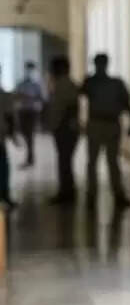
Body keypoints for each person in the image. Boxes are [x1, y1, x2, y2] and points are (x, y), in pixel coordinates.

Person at [80, 54, 130, 207]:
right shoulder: (90, 82)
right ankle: (92, 194)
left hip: (111, 123)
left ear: (106, 64)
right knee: (93, 161)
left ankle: (118, 194)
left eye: (102, 63)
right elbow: (79, 94)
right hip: (97, 123)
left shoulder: (116, 83)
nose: (100, 66)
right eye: (98, 63)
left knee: (112, 161)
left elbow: (126, 103)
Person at [45, 56, 80, 205]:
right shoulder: (60, 84)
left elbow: (71, 107)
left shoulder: (65, 84)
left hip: (66, 129)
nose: (51, 71)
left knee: (64, 161)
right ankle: (67, 191)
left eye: (53, 68)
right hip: (63, 127)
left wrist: (61, 125)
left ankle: (66, 193)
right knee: (64, 161)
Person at [14, 61, 44, 168]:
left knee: (30, 134)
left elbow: (41, 98)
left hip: (32, 111)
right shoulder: (20, 84)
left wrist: (32, 97)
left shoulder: (36, 84)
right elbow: (16, 96)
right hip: (22, 111)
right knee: (24, 133)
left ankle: (30, 158)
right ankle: (30, 156)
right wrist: (22, 96)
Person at [0, 65, 19, 210]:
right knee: (3, 167)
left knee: (3, 167)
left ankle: (4, 195)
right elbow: (9, 117)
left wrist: (12, 134)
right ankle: (4, 195)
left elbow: (9, 117)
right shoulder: (4, 95)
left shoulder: (4, 95)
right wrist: (12, 135)